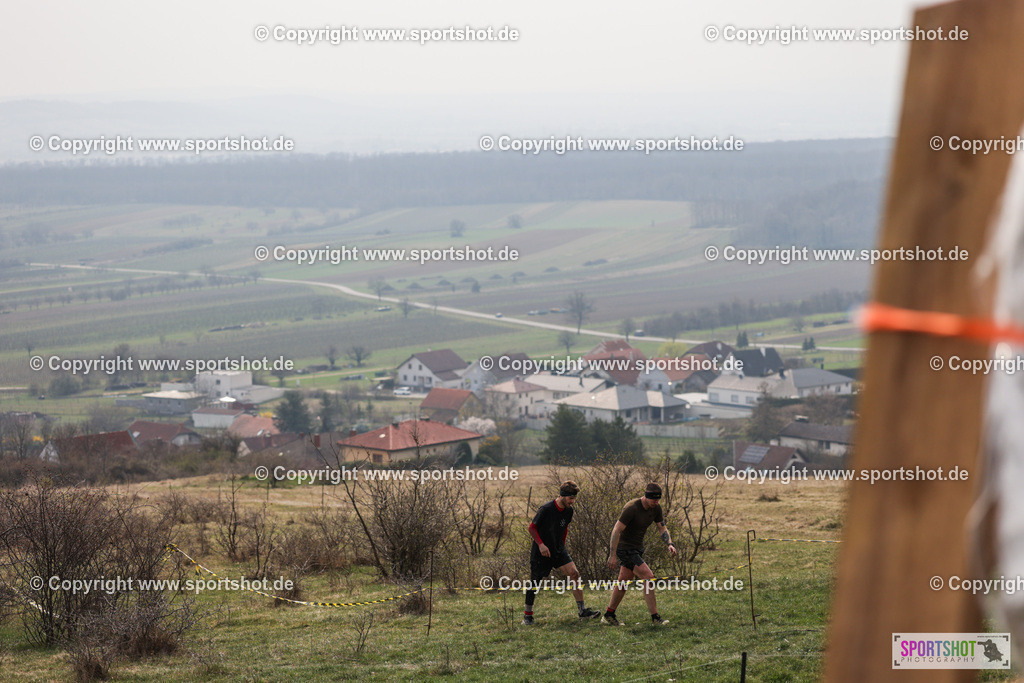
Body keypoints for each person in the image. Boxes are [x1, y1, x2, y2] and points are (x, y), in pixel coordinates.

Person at [523, 480, 601, 625]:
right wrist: (541, 545)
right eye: (571, 498)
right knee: (535, 582)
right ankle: (527, 616)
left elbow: (564, 529)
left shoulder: (569, 511)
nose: (572, 501)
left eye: (574, 498)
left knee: (574, 574)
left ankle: (582, 612)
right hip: (541, 551)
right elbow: (532, 528)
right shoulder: (546, 509)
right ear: (563, 496)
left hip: (558, 550)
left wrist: (562, 546)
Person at [602, 482, 678, 626]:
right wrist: (612, 555)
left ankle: (608, 614)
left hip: (637, 548)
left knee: (623, 581)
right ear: (646, 496)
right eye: (653, 500)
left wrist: (670, 544)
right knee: (648, 576)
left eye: (658, 500)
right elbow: (616, 530)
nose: (656, 502)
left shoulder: (656, 508)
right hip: (624, 548)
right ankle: (655, 618)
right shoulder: (631, 508)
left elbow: (662, 528)